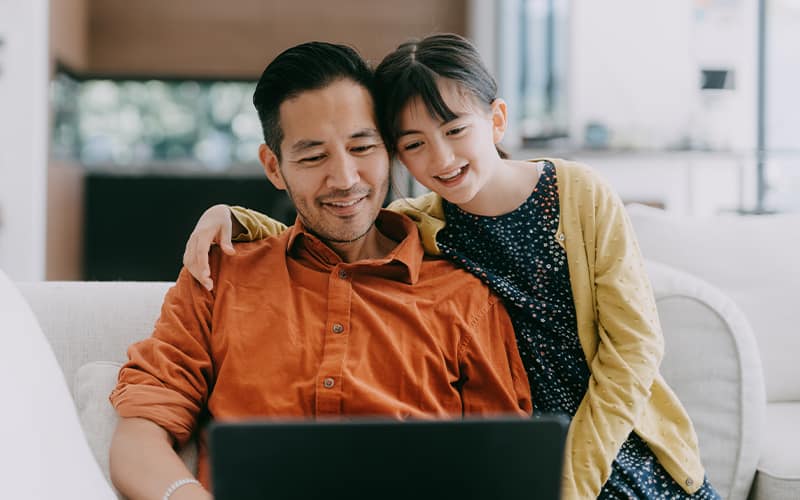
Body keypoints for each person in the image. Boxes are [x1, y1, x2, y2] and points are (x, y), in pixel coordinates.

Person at [184, 34, 720, 499]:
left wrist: (573, 481)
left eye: (456, 129)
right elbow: (338, 234)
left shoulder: (577, 194)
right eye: (414, 144)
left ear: (497, 118)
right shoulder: (424, 220)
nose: (441, 159)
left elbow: (636, 349)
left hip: (610, 438)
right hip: (522, 442)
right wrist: (234, 218)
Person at [108, 41, 532, 500]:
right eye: (313, 157)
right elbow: (139, 437)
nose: (345, 179)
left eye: (362, 147)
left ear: (388, 148)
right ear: (274, 166)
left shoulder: (466, 296)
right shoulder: (220, 278)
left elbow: (504, 468)